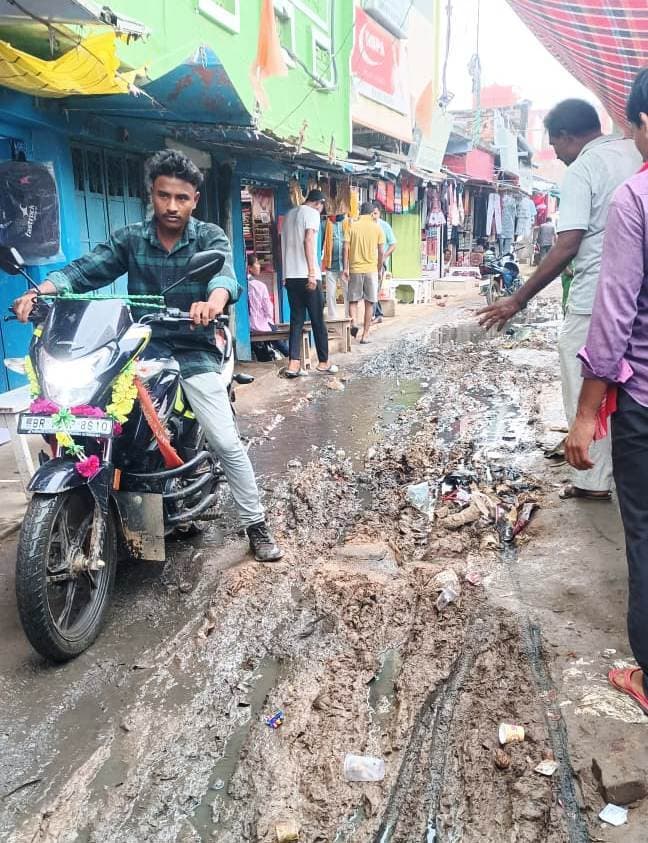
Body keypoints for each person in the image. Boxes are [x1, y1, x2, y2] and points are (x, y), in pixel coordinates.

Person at [12, 149, 282, 563]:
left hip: (193, 347)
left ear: (194, 199)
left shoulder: (209, 237)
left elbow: (225, 274)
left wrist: (213, 300)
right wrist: (42, 291)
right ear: (150, 195)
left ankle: (255, 522)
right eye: (163, 196)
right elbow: (86, 269)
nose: (171, 206)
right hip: (140, 345)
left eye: (181, 198)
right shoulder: (131, 238)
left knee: (226, 441)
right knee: (94, 412)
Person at [479, 98, 642, 501]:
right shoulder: (632, 149)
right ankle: (621, 471)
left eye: (556, 146)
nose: (559, 156)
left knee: (584, 380)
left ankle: (591, 479)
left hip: (595, 299)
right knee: (629, 388)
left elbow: (567, 243)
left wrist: (518, 299)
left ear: (568, 137)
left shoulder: (584, 168)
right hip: (637, 297)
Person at [565, 68, 648, 714]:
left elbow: (614, 316)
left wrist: (587, 414)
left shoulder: (633, 199)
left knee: (644, 535)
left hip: (643, 402)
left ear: (641, 124)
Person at [280, 189, 338, 378]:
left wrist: (285, 273)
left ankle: (294, 364)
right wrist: (312, 272)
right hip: (307, 275)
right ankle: (323, 361)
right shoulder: (311, 214)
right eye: (322, 207)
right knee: (317, 320)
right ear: (319, 203)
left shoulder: (289, 215)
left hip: (291, 276)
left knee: (296, 320)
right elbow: (309, 240)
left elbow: (282, 244)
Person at [343, 201, 385, 343]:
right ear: (372, 212)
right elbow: (381, 252)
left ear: (360, 212)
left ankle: (354, 323)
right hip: (371, 269)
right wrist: (379, 269)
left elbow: (346, 248)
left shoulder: (352, 227)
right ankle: (365, 336)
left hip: (355, 269)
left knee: (353, 300)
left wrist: (345, 267)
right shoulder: (377, 228)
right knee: (369, 303)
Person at [247, 253, 289, 361]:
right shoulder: (259, 286)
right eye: (256, 263)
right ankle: (292, 358)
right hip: (261, 326)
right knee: (278, 338)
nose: (259, 266)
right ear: (249, 268)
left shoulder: (243, 285)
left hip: (249, 326)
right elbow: (269, 311)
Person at [371, 201, 397, 323]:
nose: (373, 216)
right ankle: (377, 313)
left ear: (379, 213)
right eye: (371, 213)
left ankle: (376, 314)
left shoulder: (384, 226)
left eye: (375, 213)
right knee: (372, 288)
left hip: (380, 262)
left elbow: (393, 244)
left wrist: (384, 256)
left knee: (375, 287)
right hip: (368, 261)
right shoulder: (368, 225)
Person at [321, 213, 350, 319]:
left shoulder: (348, 222)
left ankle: (349, 317)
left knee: (348, 293)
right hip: (330, 265)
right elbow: (320, 244)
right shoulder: (325, 224)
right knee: (330, 294)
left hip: (345, 266)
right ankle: (333, 319)